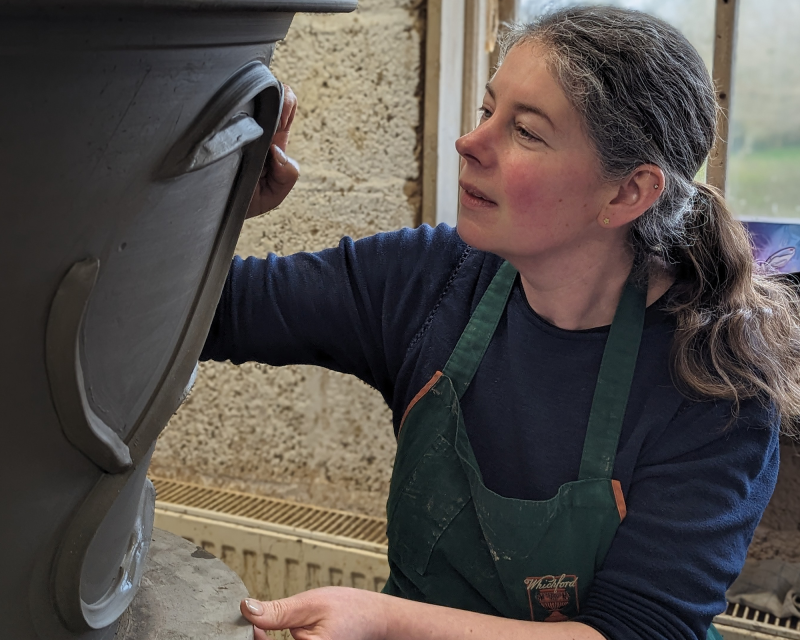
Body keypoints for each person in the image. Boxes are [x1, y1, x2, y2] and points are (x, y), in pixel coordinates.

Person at [202, 6, 800, 640]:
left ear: (629, 193)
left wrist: (385, 622)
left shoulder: (716, 383)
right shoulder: (432, 279)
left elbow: (639, 631)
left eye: (526, 132)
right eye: (488, 112)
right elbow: (211, 316)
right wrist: (212, 206)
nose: (469, 142)